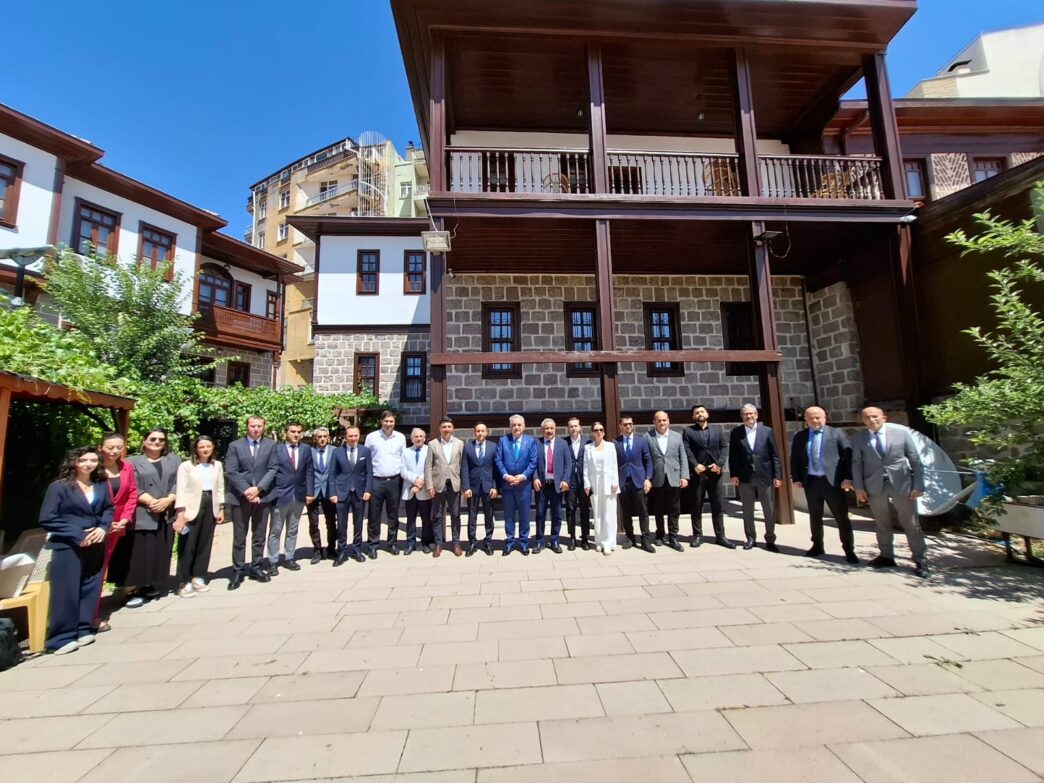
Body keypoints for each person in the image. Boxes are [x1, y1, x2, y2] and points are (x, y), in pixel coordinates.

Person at [39, 447, 112, 654]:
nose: (88, 464)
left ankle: (82, 628)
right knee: (66, 590)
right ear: (74, 462)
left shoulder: (100, 484)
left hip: (96, 542)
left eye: (93, 460)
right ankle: (60, 638)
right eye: (83, 460)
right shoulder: (59, 487)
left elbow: (108, 508)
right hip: (68, 545)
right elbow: (47, 518)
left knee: (91, 585)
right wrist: (78, 535)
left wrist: (102, 528)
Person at [851, 407, 928, 577]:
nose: (872, 420)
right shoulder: (859, 438)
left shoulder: (901, 434)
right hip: (875, 485)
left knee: (911, 523)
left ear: (884, 418)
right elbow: (856, 463)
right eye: (867, 417)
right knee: (882, 523)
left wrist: (918, 485)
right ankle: (886, 556)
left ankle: (920, 559)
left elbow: (915, 460)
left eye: (875, 416)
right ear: (863, 421)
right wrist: (858, 487)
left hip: (901, 484)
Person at [116, 429, 181, 603]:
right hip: (143, 513)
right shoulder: (131, 462)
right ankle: (131, 590)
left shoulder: (173, 460)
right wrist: (151, 501)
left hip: (165, 512)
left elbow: (179, 482)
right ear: (144, 441)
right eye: (152, 439)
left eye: (161, 439)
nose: (157, 442)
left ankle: (148, 584)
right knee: (138, 552)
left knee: (156, 551)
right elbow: (129, 485)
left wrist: (169, 499)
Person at [791, 406, 859, 564]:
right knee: (815, 516)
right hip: (811, 481)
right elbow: (795, 458)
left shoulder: (836, 433)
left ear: (824, 418)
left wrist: (848, 478)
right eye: (811, 418)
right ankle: (817, 545)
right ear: (806, 420)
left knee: (841, 517)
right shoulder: (800, 436)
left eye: (818, 417)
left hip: (833, 482)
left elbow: (848, 457)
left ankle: (849, 549)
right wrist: (796, 478)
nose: (815, 421)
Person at [224, 416, 279, 590]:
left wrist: (259, 489)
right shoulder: (235, 446)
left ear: (264, 427)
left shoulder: (271, 445)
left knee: (259, 535)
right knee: (239, 536)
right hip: (240, 498)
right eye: (253, 426)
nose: (256, 429)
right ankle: (238, 570)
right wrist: (247, 490)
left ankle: (256, 566)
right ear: (247, 426)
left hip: (263, 497)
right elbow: (231, 471)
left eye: (259, 426)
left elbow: (273, 469)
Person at [93, 432, 137, 631]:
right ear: (101, 447)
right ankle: (91, 614)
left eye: (119, 447)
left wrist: (125, 519)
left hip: (119, 523)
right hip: (97, 524)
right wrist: (105, 523)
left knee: (103, 568)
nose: (115, 451)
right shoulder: (93, 467)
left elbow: (132, 494)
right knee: (94, 569)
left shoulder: (126, 467)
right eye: (110, 447)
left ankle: (94, 613)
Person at [173, 436, 225, 597]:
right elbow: (181, 490)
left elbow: (220, 488)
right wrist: (181, 513)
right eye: (201, 447)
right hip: (191, 507)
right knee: (188, 544)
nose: (205, 449)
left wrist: (221, 508)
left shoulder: (217, 465)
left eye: (208, 446)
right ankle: (184, 581)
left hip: (211, 505)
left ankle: (198, 576)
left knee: (204, 543)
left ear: (213, 447)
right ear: (196, 449)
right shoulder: (186, 466)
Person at [728, 404, 782, 551]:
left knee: (769, 510)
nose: (749, 416)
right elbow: (733, 456)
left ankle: (770, 539)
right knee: (747, 510)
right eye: (745, 414)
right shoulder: (736, 432)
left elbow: (775, 456)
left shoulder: (767, 431)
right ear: (742, 417)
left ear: (756, 415)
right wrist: (734, 474)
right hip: (745, 477)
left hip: (765, 476)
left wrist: (777, 476)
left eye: (751, 413)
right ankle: (751, 538)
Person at [682, 404, 734, 548]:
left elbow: (724, 447)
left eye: (702, 411)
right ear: (693, 416)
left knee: (717, 505)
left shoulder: (717, 430)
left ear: (707, 414)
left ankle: (720, 536)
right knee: (696, 506)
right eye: (697, 412)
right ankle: (698, 535)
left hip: (714, 473)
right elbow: (686, 449)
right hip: (697, 473)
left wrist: (720, 464)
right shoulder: (688, 431)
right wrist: (694, 464)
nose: (700, 414)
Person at [266, 421, 314, 574]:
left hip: (299, 495)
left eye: (299, 432)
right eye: (293, 431)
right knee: (276, 529)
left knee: (293, 529)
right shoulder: (276, 449)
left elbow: (309, 472)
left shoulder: (306, 449)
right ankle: (273, 561)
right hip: (280, 495)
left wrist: (310, 492)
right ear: (285, 433)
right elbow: (271, 471)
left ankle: (289, 557)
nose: (296, 434)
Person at [364, 410, 407, 557]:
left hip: (394, 481)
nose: (389, 424)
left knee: (393, 515)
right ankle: (372, 544)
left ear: (395, 422)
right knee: (374, 515)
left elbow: (403, 458)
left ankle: (392, 543)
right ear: (381, 422)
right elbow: (367, 459)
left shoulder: (400, 437)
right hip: (376, 480)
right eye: (386, 421)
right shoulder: (372, 437)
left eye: (391, 421)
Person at [329, 425, 373, 565]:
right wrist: (332, 493)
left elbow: (369, 472)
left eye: (355, 436)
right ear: (345, 437)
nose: (353, 438)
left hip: (359, 492)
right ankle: (342, 550)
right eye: (350, 436)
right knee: (342, 523)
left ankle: (356, 549)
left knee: (358, 522)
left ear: (359, 436)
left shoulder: (365, 451)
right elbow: (332, 474)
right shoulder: (337, 452)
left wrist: (368, 490)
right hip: (342, 492)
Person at [645, 411, 688, 552]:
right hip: (657, 478)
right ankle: (660, 534)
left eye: (664, 420)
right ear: (654, 422)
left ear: (668, 421)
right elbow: (646, 459)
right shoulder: (647, 437)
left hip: (674, 477)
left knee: (674, 509)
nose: (662, 423)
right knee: (658, 509)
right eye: (659, 420)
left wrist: (684, 476)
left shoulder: (677, 436)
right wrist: (647, 478)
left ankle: (673, 536)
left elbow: (683, 457)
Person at [495, 414, 538, 556]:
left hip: (524, 485)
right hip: (507, 485)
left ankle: (524, 543)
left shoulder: (530, 442)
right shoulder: (503, 441)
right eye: (514, 425)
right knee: (509, 516)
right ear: (510, 426)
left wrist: (523, 476)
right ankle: (510, 542)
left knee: (524, 515)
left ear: (524, 426)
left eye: (519, 425)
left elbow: (533, 462)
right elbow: (498, 460)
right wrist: (506, 476)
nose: (516, 427)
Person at [425, 418, 465, 557]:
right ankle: (438, 544)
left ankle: (456, 543)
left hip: (454, 484)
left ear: (452, 428)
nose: (446, 429)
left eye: (448, 426)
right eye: (444, 427)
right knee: (437, 515)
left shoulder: (459, 443)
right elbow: (428, 466)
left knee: (455, 515)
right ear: (439, 429)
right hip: (438, 485)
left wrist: (464, 485)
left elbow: (462, 465)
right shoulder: (433, 444)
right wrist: (429, 485)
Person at [532, 418, 573, 554]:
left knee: (557, 514)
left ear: (555, 429)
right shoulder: (536, 443)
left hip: (557, 485)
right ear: (542, 430)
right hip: (542, 485)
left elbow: (568, 464)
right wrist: (535, 478)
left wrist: (566, 480)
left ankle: (555, 540)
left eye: (551, 428)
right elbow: (532, 463)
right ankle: (539, 541)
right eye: (546, 428)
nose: (549, 431)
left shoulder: (562, 444)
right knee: (540, 514)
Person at [615, 415, 654, 552]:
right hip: (623, 482)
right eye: (625, 424)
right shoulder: (615, 443)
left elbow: (648, 460)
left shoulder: (641, 441)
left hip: (639, 481)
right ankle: (630, 538)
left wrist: (648, 478)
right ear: (620, 426)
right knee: (626, 512)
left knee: (643, 511)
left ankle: (645, 539)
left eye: (630, 424)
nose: (628, 426)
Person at [462, 422, 497, 556]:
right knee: (472, 515)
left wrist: (495, 487)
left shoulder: (493, 447)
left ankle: (488, 542)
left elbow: (496, 469)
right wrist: (466, 487)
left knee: (489, 515)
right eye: (478, 431)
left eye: (483, 431)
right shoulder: (467, 447)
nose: (480, 433)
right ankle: (472, 542)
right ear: (474, 432)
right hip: (473, 486)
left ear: (487, 432)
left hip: (488, 486)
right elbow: (464, 468)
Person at [584, 423, 619, 555]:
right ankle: (599, 541)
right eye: (596, 430)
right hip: (595, 483)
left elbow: (614, 465)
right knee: (597, 513)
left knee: (609, 514)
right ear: (592, 432)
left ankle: (609, 542)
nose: (599, 432)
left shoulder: (610, 446)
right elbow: (586, 467)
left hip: (609, 482)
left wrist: (615, 481)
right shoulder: (588, 448)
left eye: (601, 430)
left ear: (604, 432)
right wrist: (587, 483)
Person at [307, 427, 337, 564]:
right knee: (313, 523)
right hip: (313, 491)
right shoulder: (309, 452)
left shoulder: (334, 451)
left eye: (325, 436)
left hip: (329, 491)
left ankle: (331, 548)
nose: (322, 439)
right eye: (319, 437)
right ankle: (317, 550)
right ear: (315, 439)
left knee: (331, 522)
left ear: (328, 438)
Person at [400, 427, 431, 555]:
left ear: (424, 438)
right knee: (410, 519)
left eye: (421, 436)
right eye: (416, 437)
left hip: (424, 490)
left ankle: (426, 543)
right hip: (410, 490)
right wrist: (415, 480)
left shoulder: (429, 450)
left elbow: (430, 468)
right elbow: (403, 470)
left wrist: (420, 483)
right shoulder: (406, 452)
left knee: (426, 519)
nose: (418, 439)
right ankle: (410, 543)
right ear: (412, 439)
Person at [564, 417, 591, 550]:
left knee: (585, 509)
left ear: (580, 427)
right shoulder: (564, 442)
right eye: (571, 426)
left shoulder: (588, 442)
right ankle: (572, 538)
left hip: (584, 480)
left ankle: (585, 538)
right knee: (570, 509)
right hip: (570, 481)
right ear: (568, 429)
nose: (573, 428)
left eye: (575, 426)